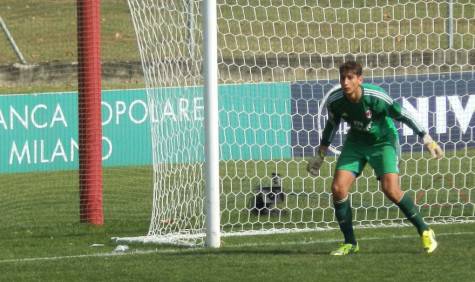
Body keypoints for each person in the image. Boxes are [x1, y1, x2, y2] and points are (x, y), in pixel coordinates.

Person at [307, 61, 444, 256]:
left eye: (350, 78)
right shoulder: (336, 101)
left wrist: (427, 138)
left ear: (359, 80)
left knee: (391, 190)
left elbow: (402, 114)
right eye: (342, 78)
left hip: (383, 141)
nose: (345, 82)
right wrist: (320, 155)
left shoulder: (376, 97)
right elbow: (331, 125)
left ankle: (425, 230)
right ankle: (350, 242)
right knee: (338, 189)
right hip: (356, 142)